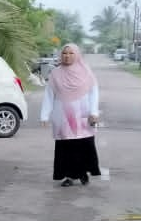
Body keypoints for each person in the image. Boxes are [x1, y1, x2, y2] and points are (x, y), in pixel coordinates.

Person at [40, 43, 101, 187]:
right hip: (62, 116)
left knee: (83, 145)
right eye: (64, 53)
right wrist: (44, 115)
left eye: (71, 53)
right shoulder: (55, 73)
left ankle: (83, 173)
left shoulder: (86, 72)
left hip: (83, 115)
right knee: (66, 146)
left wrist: (93, 112)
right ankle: (68, 176)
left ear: (77, 54)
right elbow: (49, 95)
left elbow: (94, 93)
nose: (67, 56)